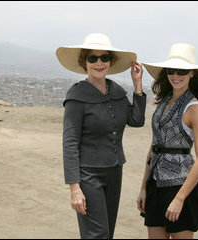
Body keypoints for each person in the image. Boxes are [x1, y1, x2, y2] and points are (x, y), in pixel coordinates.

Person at [56, 33, 146, 239]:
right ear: (84, 62)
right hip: (88, 175)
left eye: (104, 58)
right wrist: (74, 188)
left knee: (108, 232)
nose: (99, 62)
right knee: (97, 234)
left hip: (114, 172)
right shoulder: (76, 96)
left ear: (110, 62)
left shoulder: (117, 91)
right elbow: (69, 144)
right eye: (92, 58)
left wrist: (138, 85)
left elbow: (137, 120)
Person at [137, 43, 198, 239]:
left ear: (192, 73)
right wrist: (143, 188)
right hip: (155, 185)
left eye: (182, 70)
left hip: (179, 187)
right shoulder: (163, 101)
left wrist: (180, 198)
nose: (176, 75)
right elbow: (154, 146)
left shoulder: (194, 109)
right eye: (171, 70)